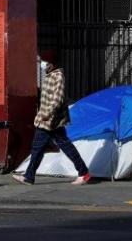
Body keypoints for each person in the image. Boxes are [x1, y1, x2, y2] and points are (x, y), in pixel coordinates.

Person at [13, 54, 91, 185]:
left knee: (39, 147)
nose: (43, 65)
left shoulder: (58, 76)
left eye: (45, 62)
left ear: (52, 64)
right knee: (59, 146)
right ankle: (83, 172)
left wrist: (48, 113)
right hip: (49, 119)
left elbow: (58, 98)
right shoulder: (50, 75)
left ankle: (29, 177)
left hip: (50, 119)